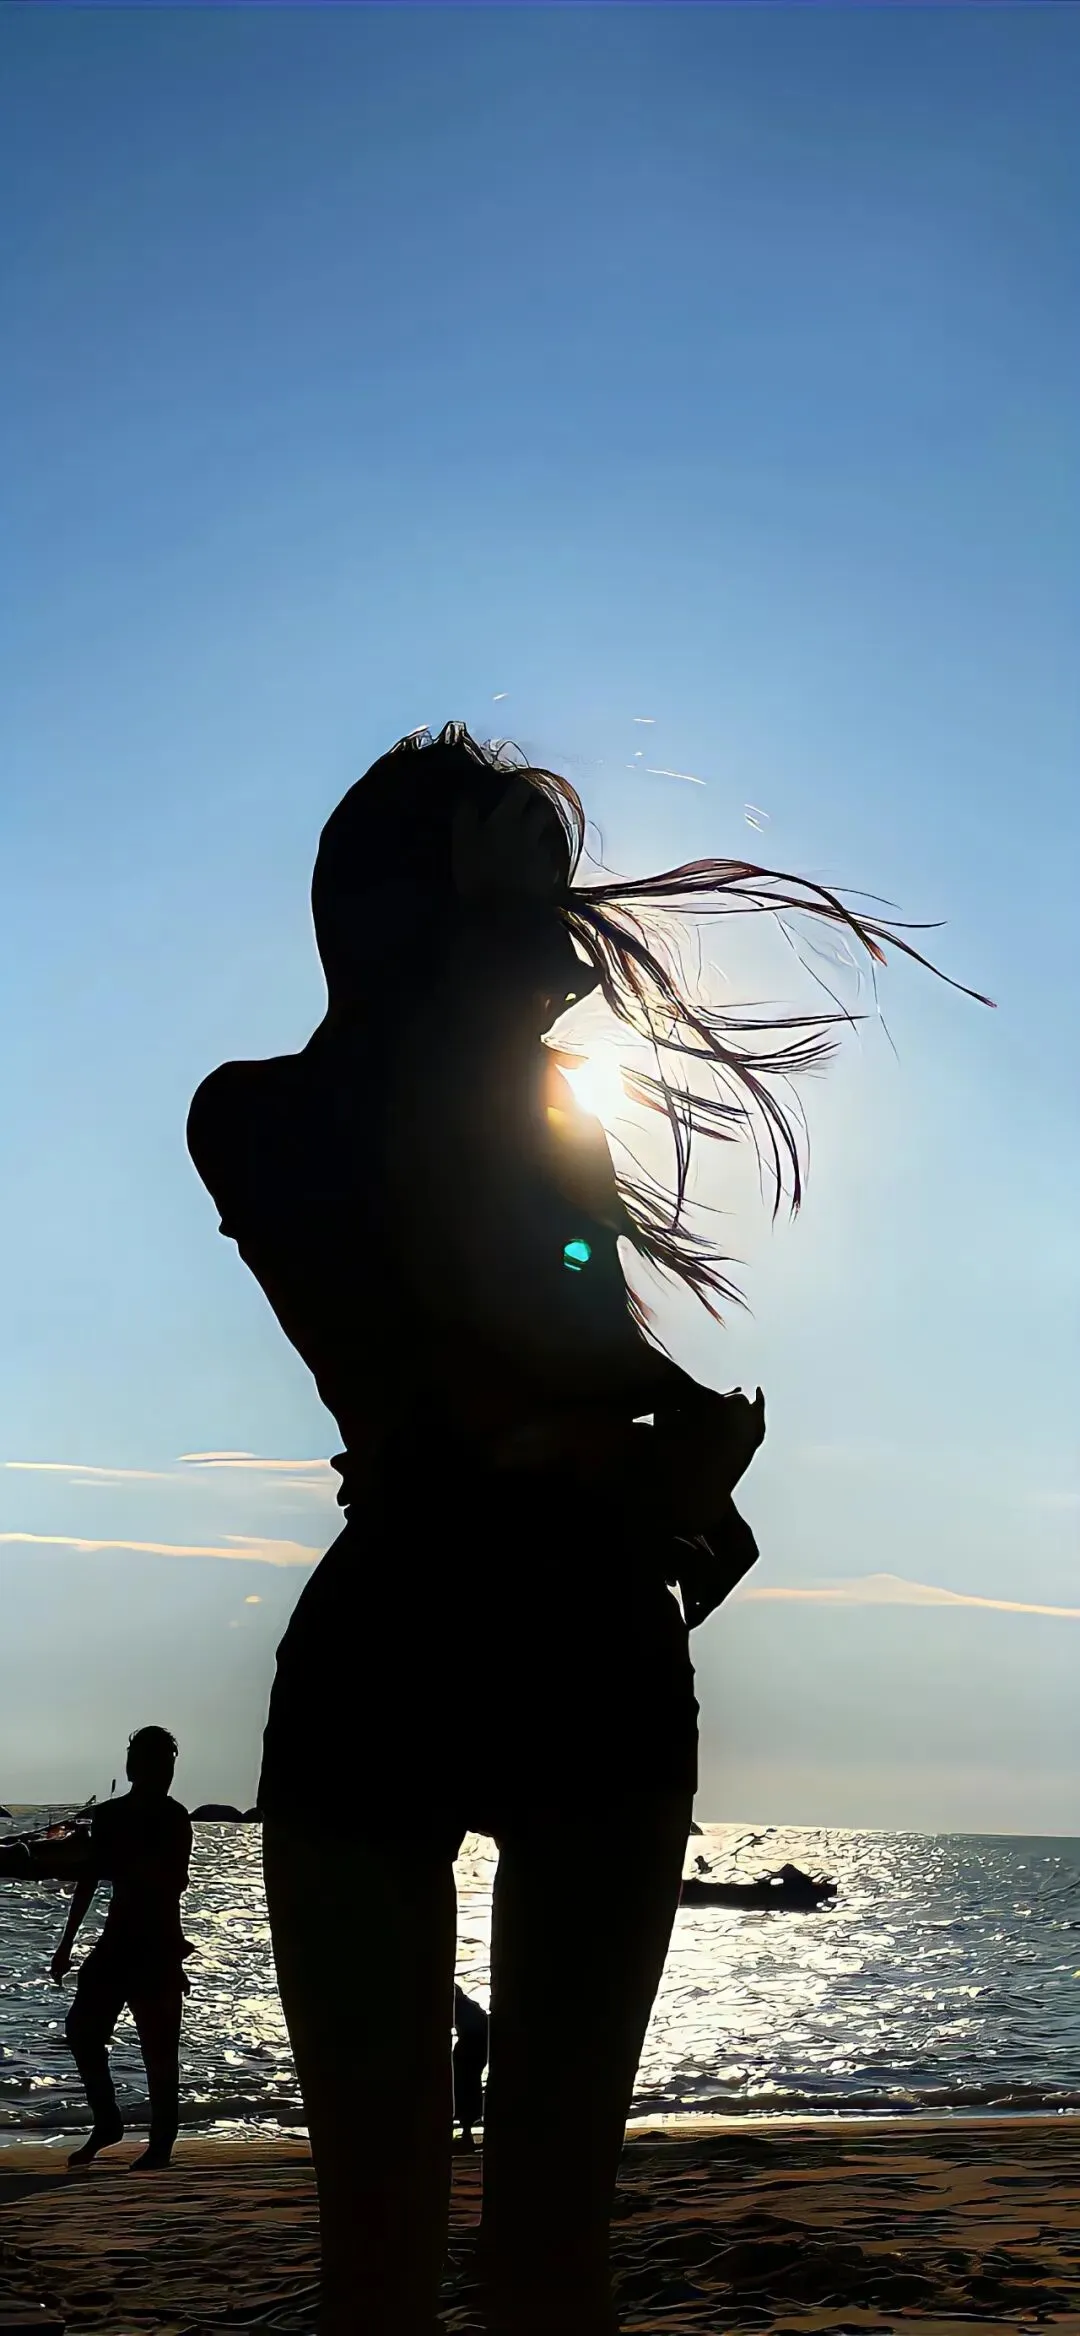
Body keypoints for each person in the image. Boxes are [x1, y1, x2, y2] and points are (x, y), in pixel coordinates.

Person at [186, 722, 986, 2335]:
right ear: (408, 908)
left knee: (517, 2263)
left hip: (534, 1637)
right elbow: (492, 1336)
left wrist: (661, 1453)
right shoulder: (269, 1117)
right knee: (428, 2269)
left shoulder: (486, 1118)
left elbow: (557, 1350)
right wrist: (646, 1452)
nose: (562, 946)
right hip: (470, 1642)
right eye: (520, 899)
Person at [51, 1726, 193, 2171]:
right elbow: (89, 1879)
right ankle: (108, 2121)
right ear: (135, 1767)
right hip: (116, 1942)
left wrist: (174, 1955)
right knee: (82, 2030)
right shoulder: (111, 1815)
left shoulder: (175, 1817)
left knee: (159, 2048)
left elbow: (174, 1885)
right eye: (156, 1763)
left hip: (158, 1945)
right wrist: (66, 1944)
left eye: (168, 1765)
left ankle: (161, 2143)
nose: (165, 1773)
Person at [452, 1983, 489, 2152]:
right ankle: (466, 2131)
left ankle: (466, 2133)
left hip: (470, 2051)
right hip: (475, 2050)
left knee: (464, 2088)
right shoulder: (470, 2007)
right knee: (468, 2087)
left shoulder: (461, 2007)